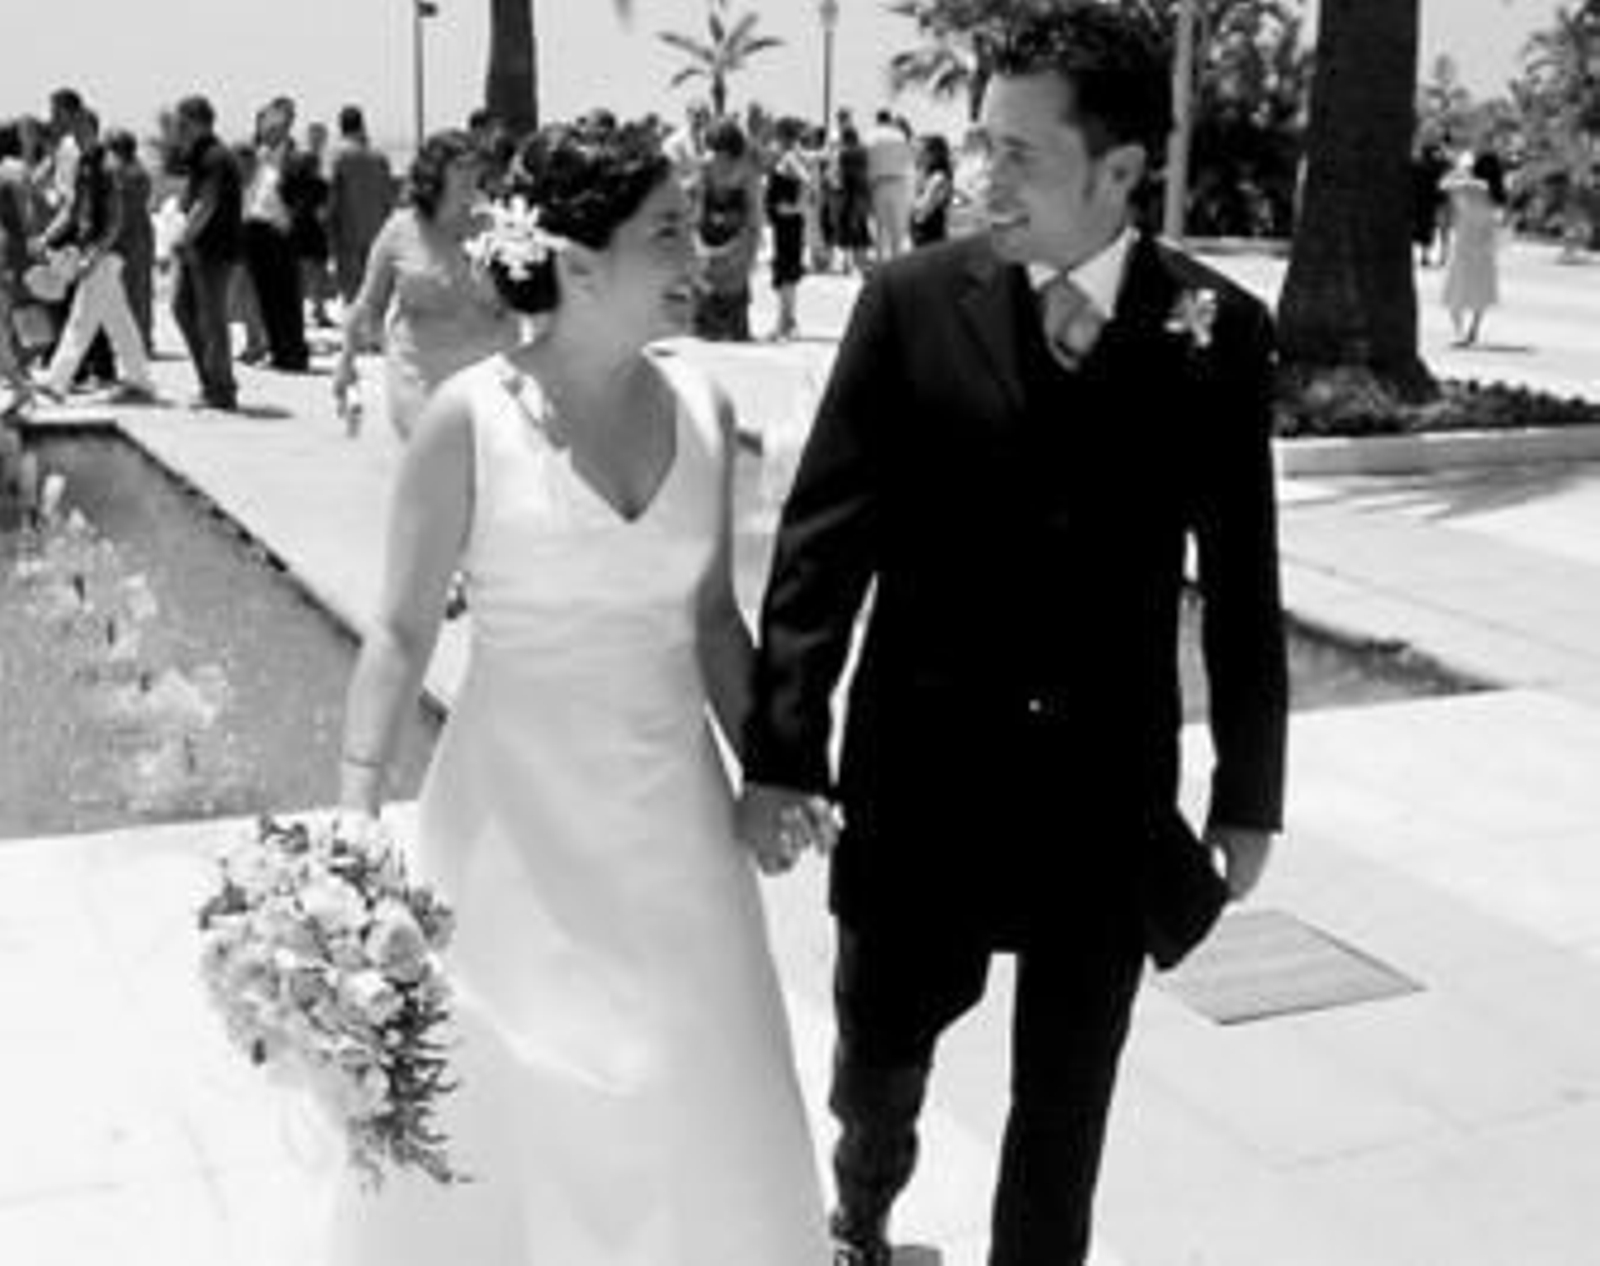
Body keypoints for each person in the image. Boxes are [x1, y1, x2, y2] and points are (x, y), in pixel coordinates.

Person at [737, 8, 1289, 1265]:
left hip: (1104, 799)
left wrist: (1248, 792)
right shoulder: (909, 302)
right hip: (920, 783)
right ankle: (861, 1216)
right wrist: (783, 751)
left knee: (1065, 1107)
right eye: (979, 142)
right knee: (878, 1064)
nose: (980, 174)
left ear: (1119, 169)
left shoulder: (1217, 331)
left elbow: (1243, 584)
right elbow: (822, 550)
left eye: (1018, 153)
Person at [330, 114, 829, 1266]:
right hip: (511, 829)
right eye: (668, 233)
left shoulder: (705, 409)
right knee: (516, 1103)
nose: (700, 252)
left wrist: (774, 771)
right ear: (578, 261)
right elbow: (400, 631)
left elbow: (712, 621)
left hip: (674, 828)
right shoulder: (467, 420)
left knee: (697, 1094)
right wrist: (353, 815)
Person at [330, 130, 519, 441]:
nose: (470, 175)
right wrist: (346, 363)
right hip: (419, 379)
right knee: (434, 464)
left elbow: (526, 304)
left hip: (489, 380)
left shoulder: (499, 227)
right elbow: (368, 304)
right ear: (434, 172)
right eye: (460, 166)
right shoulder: (401, 229)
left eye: (475, 166)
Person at [169, 94, 243, 411]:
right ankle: (209, 382)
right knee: (182, 309)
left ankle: (222, 390)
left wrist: (182, 238)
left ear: (197, 122)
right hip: (198, 248)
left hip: (214, 250)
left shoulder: (215, 156)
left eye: (181, 122)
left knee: (213, 321)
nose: (177, 128)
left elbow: (207, 202)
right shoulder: (200, 154)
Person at [690, 116, 763, 342]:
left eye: (721, 150)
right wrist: (698, 242)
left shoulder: (748, 169)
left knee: (736, 286)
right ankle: (708, 327)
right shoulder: (705, 165)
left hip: (739, 236)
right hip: (710, 236)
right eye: (714, 149)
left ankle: (734, 328)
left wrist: (751, 245)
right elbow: (698, 207)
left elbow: (754, 212)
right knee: (707, 284)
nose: (717, 156)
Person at [327, 105, 395, 306]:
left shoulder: (337, 156)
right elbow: (389, 198)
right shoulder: (379, 157)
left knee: (352, 290)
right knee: (374, 288)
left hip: (347, 232)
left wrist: (329, 232)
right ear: (362, 125)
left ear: (341, 127)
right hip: (377, 230)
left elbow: (331, 198)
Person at [1441, 150, 1502, 347]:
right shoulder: (1495, 190)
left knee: (1456, 291)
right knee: (1481, 290)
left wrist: (1461, 168)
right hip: (1485, 245)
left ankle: (1459, 333)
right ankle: (1473, 330)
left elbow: (1444, 184)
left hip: (1464, 243)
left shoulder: (1472, 186)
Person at [764, 116, 810, 341]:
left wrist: (796, 207)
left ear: (783, 136)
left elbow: (806, 180)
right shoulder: (790, 155)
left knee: (786, 272)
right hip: (786, 224)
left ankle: (786, 323)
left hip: (788, 224)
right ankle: (785, 322)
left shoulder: (790, 156)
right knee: (786, 271)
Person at [909, 132, 954, 248]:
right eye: (913, 151)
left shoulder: (938, 179)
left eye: (919, 152)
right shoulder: (922, 177)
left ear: (932, 156)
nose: (914, 155)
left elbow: (922, 213)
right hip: (921, 237)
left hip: (931, 238)